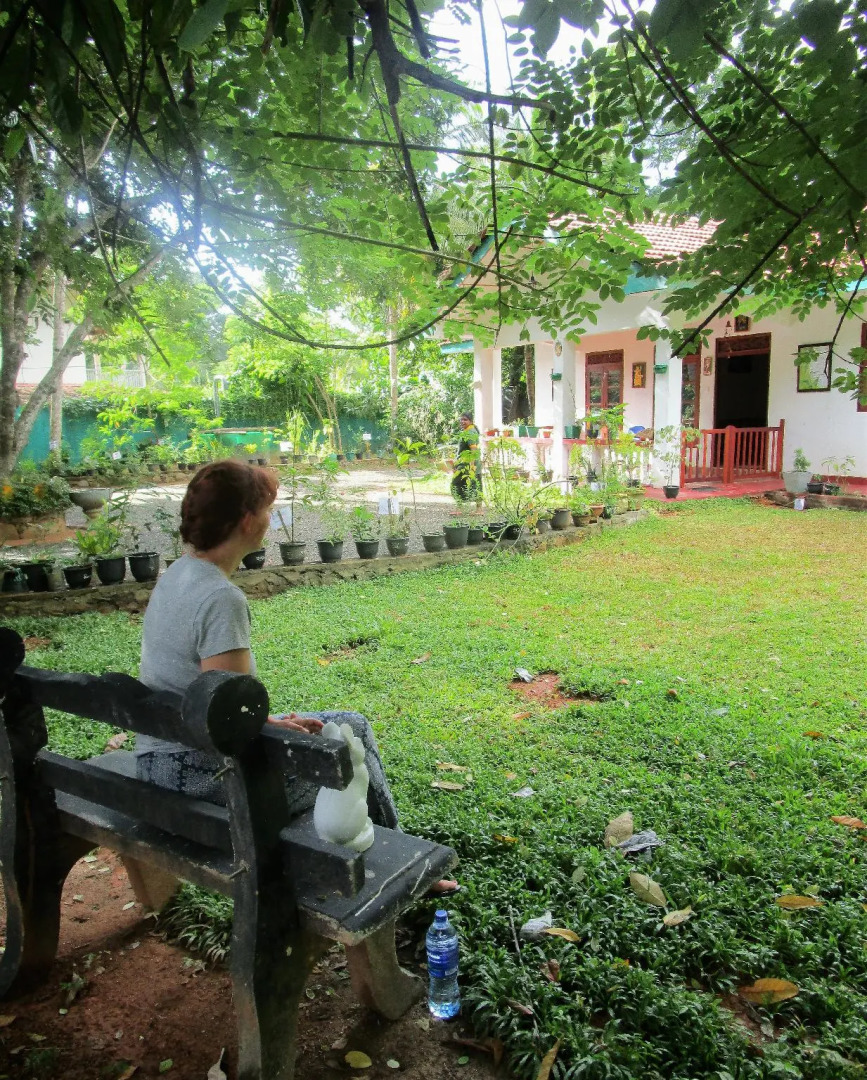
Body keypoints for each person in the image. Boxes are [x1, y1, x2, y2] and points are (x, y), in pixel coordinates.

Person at [137, 459, 457, 891]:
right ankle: (403, 863)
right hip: (200, 780)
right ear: (247, 521)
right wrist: (272, 731)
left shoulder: (177, 574)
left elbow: (216, 704)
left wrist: (271, 723)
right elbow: (230, 727)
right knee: (352, 738)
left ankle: (393, 853)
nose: (270, 519)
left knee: (343, 727)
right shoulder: (220, 598)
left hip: (155, 762)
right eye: (267, 510)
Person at [451, 412, 482, 502]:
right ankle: (478, 508)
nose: (462, 421)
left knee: (456, 486)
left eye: (465, 420)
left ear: (471, 421)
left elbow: (473, 449)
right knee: (476, 486)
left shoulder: (470, 433)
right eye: (461, 419)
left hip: (466, 465)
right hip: (470, 464)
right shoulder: (470, 430)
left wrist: (472, 466)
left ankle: (460, 507)